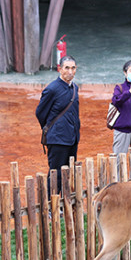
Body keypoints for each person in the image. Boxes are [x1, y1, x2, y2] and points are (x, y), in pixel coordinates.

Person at [35, 55, 80, 193]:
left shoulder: (74, 88)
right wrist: (52, 128)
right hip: (58, 139)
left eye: (73, 68)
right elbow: (40, 113)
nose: (70, 71)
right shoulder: (52, 89)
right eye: (67, 68)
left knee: (68, 173)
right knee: (56, 173)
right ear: (60, 69)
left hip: (72, 138)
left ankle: (62, 203)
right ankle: (50, 205)